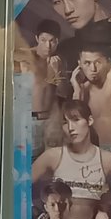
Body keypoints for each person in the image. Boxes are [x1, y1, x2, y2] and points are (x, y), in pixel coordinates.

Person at [30, 101, 111, 219]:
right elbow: (18, 186)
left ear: (89, 120)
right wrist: (37, 212)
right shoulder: (52, 156)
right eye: (65, 123)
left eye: (76, 120)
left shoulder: (108, 160)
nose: (70, 127)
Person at [26, 19, 69, 147]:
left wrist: (57, 71)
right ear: (37, 38)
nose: (48, 46)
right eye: (43, 40)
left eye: (52, 41)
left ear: (57, 41)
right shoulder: (26, 58)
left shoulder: (59, 61)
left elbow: (64, 93)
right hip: (30, 119)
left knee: (53, 157)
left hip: (52, 120)